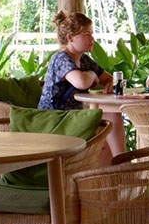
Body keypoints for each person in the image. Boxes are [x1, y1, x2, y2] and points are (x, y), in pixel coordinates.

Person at [38, 11, 125, 165]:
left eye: (92, 34)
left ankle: (111, 179)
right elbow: (81, 82)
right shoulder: (61, 59)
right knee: (109, 119)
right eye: (86, 34)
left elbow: (108, 78)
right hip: (54, 121)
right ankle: (124, 169)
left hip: (72, 118)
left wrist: (109, 84)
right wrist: (91, 75)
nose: (92, 39)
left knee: (109, 124)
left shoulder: (84, 60)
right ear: (71, 38)